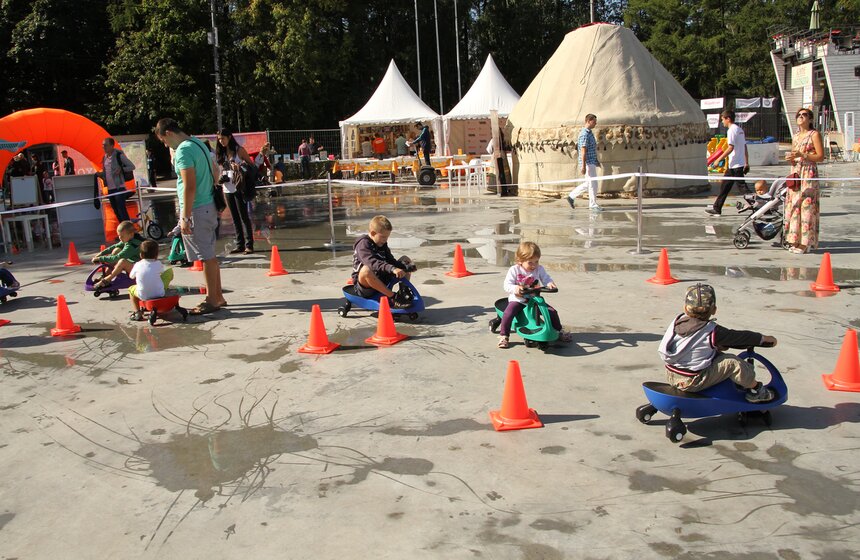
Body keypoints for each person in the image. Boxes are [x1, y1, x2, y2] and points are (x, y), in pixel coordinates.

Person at [658, 283, 777, 403]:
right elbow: (739, 337)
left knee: (717, 352)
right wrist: (762, 339)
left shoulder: (678, 322)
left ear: (685, 308)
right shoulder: (712, 331)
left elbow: (694, 345)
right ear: (714, 310)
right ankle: (757, 390)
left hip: (671, 375)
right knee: (732, 363)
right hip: (692, 381)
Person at [155, 117, 226, 315]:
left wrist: (184, 217)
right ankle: (218, 295)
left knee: (205, 257)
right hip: (208, 205)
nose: (165, 145)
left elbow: (189, 185)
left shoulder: (184, 150)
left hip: (196, 209)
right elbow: (215, 171)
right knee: (210, 255)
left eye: (163, 141)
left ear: (168, 133)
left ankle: (212, 300)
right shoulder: (197, 143)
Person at [497, 241, 572, 349]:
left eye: (536, 261)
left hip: (534, 300)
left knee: (552, 312)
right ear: (520, 261)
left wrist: (549, 283)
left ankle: (559, 331)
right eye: (530, 262)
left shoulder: (539, 269)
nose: (534, 265)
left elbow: (545, 278)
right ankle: (504, 335)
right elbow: (506, 285)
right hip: (519, 300)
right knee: (508, 313)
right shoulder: (514, 270)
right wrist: (515, 288)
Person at [351, 215, 416, 309]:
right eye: (383, 237)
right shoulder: (363, 244)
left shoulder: (382, 243)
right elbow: (372, 263)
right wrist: (393, 269)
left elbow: (390, 260)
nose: (385, 240)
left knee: (406, 259)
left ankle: (404, 291)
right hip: (366, 286)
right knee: (366, 270)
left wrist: (405, 266)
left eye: (387, 237)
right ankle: (394, 297)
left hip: (381, 277)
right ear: (373, 233)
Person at [783, 108, 824, 254]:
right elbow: (795, 154)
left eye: (804, 114)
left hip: (808, 172)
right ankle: (794, 239)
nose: (801, 117)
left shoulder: (814, 134)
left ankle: (805, 243)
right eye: (798, 115)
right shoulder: (795, 136)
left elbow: (820, 156)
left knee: (807, 207)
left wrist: (804, 155)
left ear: (810, 119)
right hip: (796, 172)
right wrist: (792, 159)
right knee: (794, 205)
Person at [215, 128, 255, 255]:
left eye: (223, 138)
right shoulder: (221, 153)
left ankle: (249, 245)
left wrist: (240, 167)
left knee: (244, 216)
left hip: (239, 187)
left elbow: (251, 166)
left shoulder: (239, 150)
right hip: (227, 188)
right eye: (219, 139)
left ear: (229, 137)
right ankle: (240, 244)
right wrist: (220, 178)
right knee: (235, 218)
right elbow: (220, 169)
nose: (221, 141)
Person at [706, 110, 749, 216]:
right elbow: (744, 146)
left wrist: (718, 159)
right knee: (725, 187)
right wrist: (746, 162)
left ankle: (757, 203)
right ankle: (717, 208)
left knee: (743, 188)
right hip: (735, 165)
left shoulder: (731, 130)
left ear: (728, 119)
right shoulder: (740, 130)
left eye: (723, 119)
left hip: (736, 165)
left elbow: (730, 147)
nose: (722, 122)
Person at [128, 240, 174, 321]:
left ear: (141, 255)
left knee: (131, 289)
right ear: (156, 255)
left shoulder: (137, 264)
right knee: (169, 272)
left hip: (143, 295)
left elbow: (131, 276)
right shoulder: (158, 263)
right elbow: (162, 272)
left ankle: (137, 312)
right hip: (159, 293)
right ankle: (161, 290)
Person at [92, 220, 145, 289]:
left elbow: (117, 257)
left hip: (141, 271)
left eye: (122, 236)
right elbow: (114, 246)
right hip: (135, 265)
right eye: (119, 236)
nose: (120, 238)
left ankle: (107, 280)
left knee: (122, 261)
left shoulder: (133, 245)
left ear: (131, 234)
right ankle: (105, 275)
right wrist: (100, 254)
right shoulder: (130, 238)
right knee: (116, 249)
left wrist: (100, 258)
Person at [566, 114, 602, 211]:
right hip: (588, 163)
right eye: (594, 121)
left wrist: (596, 161)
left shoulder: (589, 133)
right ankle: (593, 205)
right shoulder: (584, 134)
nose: (595, 123)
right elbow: (583, 150)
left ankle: (571, 196)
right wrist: (583, 166)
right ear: (589, 121)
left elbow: (591, 149)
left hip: (591, 161)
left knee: (589, 183)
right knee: (593, 184)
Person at [97, 138, 136, 223]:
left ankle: (130, 231)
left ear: (112, 146)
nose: (103, 147)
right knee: (116, 211)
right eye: (102, 145)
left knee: (121, 209)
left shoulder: (119, 155)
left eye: (105, 145)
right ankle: (123, 232)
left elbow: (132, 166)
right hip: (110, 189)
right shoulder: (104, 157)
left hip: (119, 188)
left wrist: (121, 169)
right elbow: (106, 171)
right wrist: (100, 175)